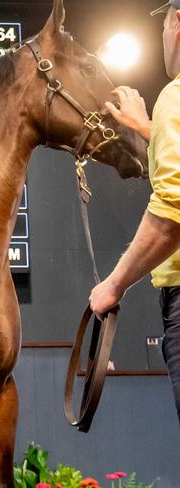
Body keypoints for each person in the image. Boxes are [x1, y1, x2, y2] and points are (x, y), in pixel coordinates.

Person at [89, 0, 180, 422]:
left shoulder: (175, 97)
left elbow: (172, 214)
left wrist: (114, 286)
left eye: (163, 22)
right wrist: (149, 129)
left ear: (176, 22)